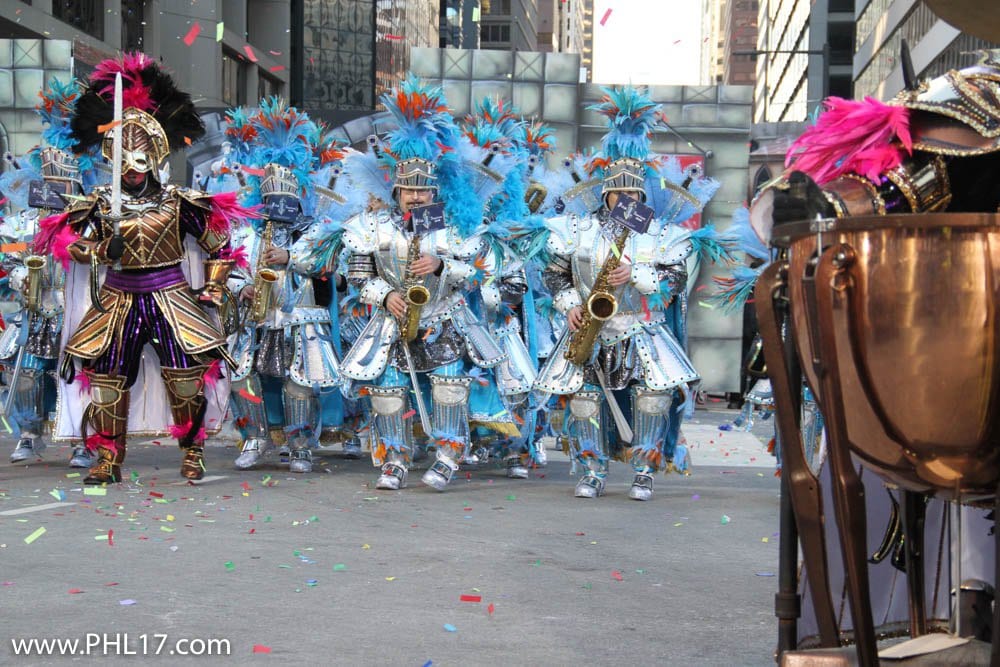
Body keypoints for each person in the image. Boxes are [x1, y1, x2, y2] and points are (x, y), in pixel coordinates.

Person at [35, 53, 255, 484]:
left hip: (170, 294)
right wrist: (99, 248)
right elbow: (67, 243)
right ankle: (107, 459)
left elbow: (220, 245)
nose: (132, 173)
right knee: (106, 380)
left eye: (139, 162)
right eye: (124, 162)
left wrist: (211, 286)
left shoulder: (179, 202)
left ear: (154, 157)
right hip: (117, 297)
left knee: (186, 380)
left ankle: (192, 453)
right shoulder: (99, 202)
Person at [534, 86, 716, 500]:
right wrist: (568, 307)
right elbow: (555, 273)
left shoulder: (661, 234)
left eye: (634, 194)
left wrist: (637, 273)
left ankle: (645, 469)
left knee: (652, 398)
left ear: (642, 194)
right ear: (605, 193)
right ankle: (592, 468)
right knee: (583, 399)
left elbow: (673, 282)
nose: (626, 199)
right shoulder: (577, 229)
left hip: (641, 329)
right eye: (619, 193)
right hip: (588, 328)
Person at [340, 76, 506, 491]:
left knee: (450, 390)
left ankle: (449, 453)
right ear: (394, 189)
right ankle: (394, 459)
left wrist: (441, 267)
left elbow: (480, 271)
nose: (415, 196)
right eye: (408, 189)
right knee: (388, 394)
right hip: (391, 321)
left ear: (434, 188)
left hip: (444, 318)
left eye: (422, 189)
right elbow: (357, 273)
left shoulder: (455, 228)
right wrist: (386, 295)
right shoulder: (369, 225)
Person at [222, 99, 345, 473]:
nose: (278, 206)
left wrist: (290, 259)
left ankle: (301, 444)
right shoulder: (247, 231)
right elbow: (229, 268)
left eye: (286, 199)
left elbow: (331, 269)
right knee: (241, 375)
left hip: (303, 320)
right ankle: (255, 437)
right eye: (272, 199)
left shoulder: (316, 231)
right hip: (256, 320)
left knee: (300, 383)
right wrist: (239, 287)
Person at [0, 79, 108, 467]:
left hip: (79, 313)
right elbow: (8, 263)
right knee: (27, 373)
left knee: (80, 378)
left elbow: (109, 261)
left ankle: (84, 440)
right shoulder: (26, 223)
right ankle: (31, 432)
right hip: (36, 312)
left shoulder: (91, 223)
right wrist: (19, 278)